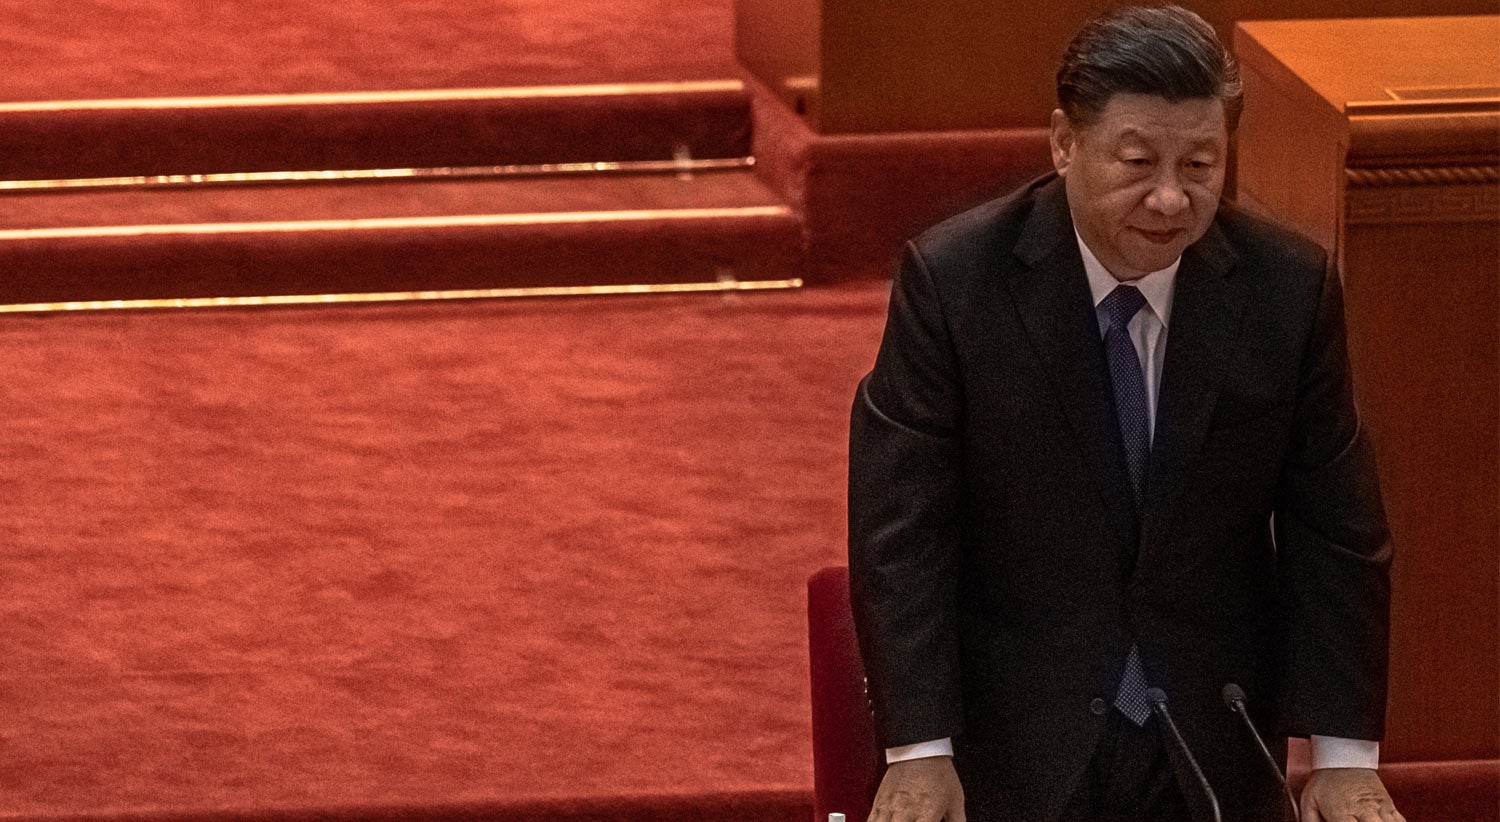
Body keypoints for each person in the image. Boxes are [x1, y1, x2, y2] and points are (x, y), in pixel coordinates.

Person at [847, 7, 1404, 822]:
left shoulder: (1286, 292)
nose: (1172, 198)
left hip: (1211, 740)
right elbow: (902, 530)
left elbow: (1337, 531)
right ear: (1064, 143)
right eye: (1138, 162)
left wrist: (1344, 757)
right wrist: (921, 751)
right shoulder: (957, 284)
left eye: (1201, 164)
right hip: (1011, 743)